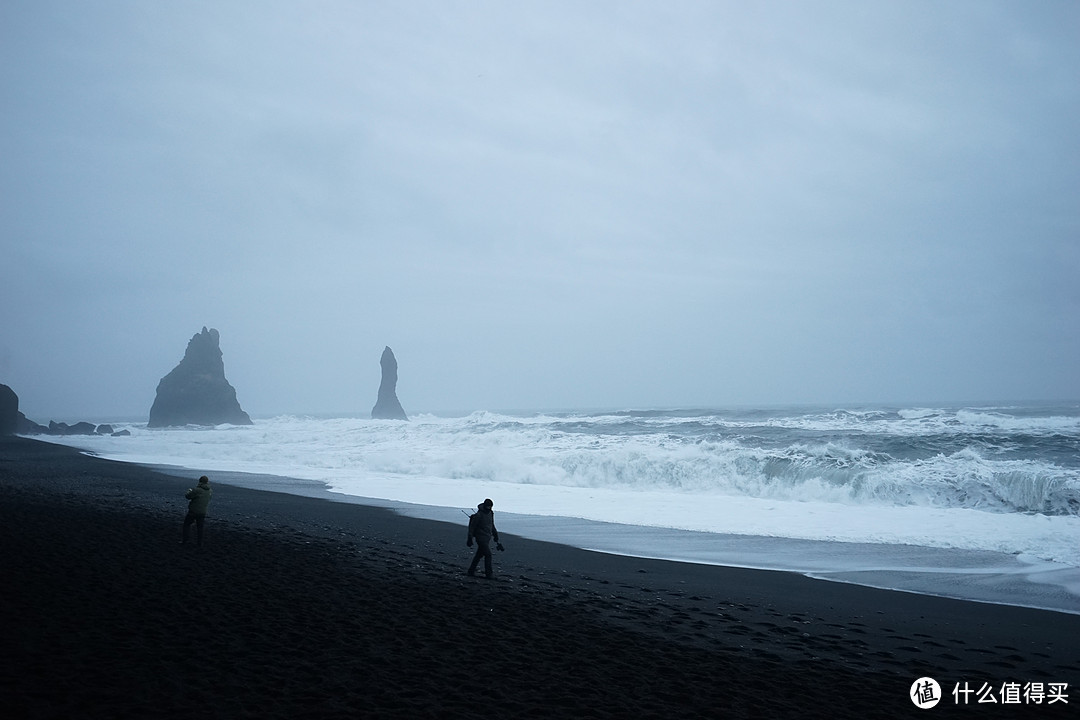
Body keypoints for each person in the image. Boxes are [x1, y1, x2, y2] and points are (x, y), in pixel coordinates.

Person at [466, 498, 504, 578]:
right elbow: (472, 527)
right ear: (485, 506)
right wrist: (470, 538)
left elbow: (491, 525)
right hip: (480, 538)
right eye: (488, 507)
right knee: (488, 554)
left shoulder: (491, 513)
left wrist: (495, 535)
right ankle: (489, 574)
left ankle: (471, 571)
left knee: (479, 555)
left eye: (490, 507)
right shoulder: (478, 515)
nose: (489, 508)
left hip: (487, 538)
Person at [181, 476, 213, 547]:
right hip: (203, 511)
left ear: (200, 481)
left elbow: (188, 496)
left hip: (193, 511)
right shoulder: (210, 491)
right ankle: (199, 543)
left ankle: (185, 540)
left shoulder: (197, 490)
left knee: (186, 525)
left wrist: (189, 491)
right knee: (200, 528)